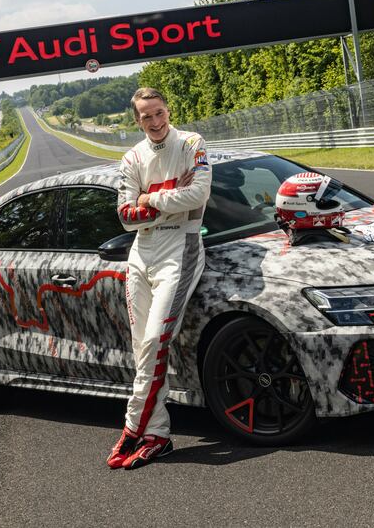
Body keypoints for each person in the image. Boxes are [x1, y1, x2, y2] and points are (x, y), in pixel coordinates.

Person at [107, 87, 212, 470]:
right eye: (147, 116)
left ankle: (132, 426)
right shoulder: (132, 157)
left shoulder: (192, 143)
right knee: (142, 350)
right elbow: (125, 216)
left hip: (180, 248)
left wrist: (150, 199)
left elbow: (199, 195)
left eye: (159, 112)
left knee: (154, 341)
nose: (155, 121)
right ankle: (158, 436)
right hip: (141, 254)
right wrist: (172, 197)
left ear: (168, 110)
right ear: (137, 120)